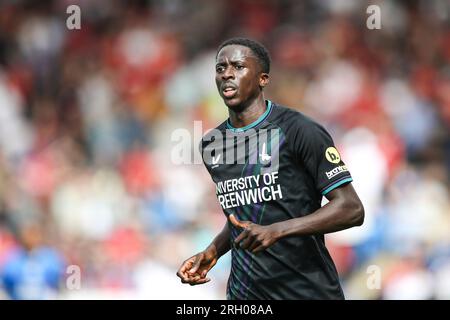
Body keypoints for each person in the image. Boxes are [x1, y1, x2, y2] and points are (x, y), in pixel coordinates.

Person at [176, 37, 364, 299]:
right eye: (221, 68)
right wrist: (213, 251)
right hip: (246, 295)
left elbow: (352, 209)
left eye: (238, 67)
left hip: (306, 291)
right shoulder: (211, 144)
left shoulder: (299, 130)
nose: (227, 74)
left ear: (263, 79)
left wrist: (280, 229)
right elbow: (244, 215)